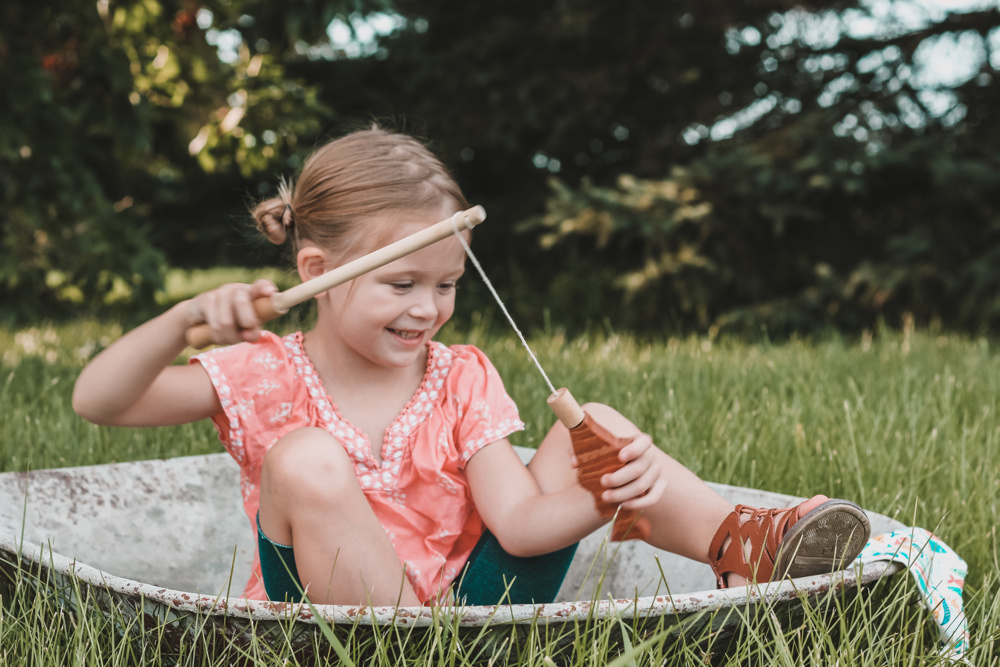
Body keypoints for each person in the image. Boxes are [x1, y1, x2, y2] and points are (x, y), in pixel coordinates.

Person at [72, 127, 871, 607]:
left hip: (474, 613)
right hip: (327, 631)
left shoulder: (458, 375)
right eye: (401, 283)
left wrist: (602, 491)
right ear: (317, 269)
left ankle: (743, 545)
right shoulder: (263, 371)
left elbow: (520, 524)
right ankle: (401, 645)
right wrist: (182, 318)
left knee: (600, 428)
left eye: (448, 283)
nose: (428, 308)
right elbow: (98, 400)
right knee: (304, 457)